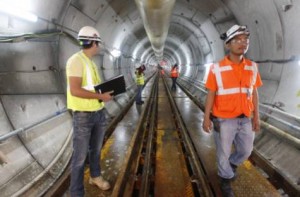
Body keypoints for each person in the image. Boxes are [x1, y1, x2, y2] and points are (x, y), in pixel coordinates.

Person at [202, 24, 263, 197]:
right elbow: (211, 94)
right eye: (237, 40)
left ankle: (231, 165)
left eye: (245, 39)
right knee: (223, 152)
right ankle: (225, 178)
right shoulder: (216, 68)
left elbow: (255, 92)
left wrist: (256, 116)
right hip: (223, 119)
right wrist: (206, 118)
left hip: (245, 118)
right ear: (228, 45)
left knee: (246, 150)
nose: (242, 43)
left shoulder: (252, 66)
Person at [66, 26, 113, 197]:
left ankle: (95, 176)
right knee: (79, 158)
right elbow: (75, 90)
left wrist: (104, 96)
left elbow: (93, 90)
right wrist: (100, 95)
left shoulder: (90, 62)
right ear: (93, 42)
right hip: (84, 116)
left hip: (98, 113)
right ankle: (76, 192)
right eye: (98, 43)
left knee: (96, 150)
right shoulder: (76, 61)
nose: (99, 47)